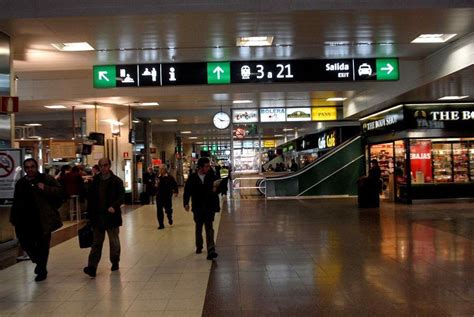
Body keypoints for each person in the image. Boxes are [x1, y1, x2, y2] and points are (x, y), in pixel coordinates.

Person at [10, 158, 63, 281]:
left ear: (36, 167)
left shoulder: (46, 179)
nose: (30, 170)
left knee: (43, 245)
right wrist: (14, 218)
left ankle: (41, 269)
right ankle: (38, 261)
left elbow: (60, 192)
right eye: (27, 167)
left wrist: (45, 188)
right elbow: (16, 201)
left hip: (42, 218)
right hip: (25, 220)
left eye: (32, 167)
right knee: (25, 242)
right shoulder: (21, 183)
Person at [83, 158, 125, 278]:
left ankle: (115, 260)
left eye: (105, 165)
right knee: (96, 243)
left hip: (112, 216)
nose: (103, 168)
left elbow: (121, 197)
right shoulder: (94, 181)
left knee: (114, 241)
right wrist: (89, 216)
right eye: (101, 166)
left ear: (109, 166)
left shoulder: (116, 181)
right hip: (98, 217)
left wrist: (114, 206)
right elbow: (90, 200)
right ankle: (92, 266)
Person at [183, 157, 220, 260]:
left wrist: (216, 189)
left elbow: (219, 187)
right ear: (200, 167)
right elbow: (187, 191)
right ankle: (199, 245)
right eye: (206, 166)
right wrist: (186, 203)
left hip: (209, 206)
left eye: (209, 166)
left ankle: (211, 250)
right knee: (199, 227)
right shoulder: (193, 178)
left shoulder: (211, 176)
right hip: (198, 207)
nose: (208, 168)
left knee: (209, 228)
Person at [155, 165, 178, 229]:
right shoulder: (158, 177)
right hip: (159, 196)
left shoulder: (169, 177)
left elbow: (174, 184)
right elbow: (155, 184)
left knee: (168, 209)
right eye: (160, 169)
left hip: (167, 196)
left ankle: (169, 217)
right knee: (159, 210)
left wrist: (176, 191)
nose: (161, 170)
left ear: (165, 170)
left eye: (162, 169)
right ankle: (161, 224)